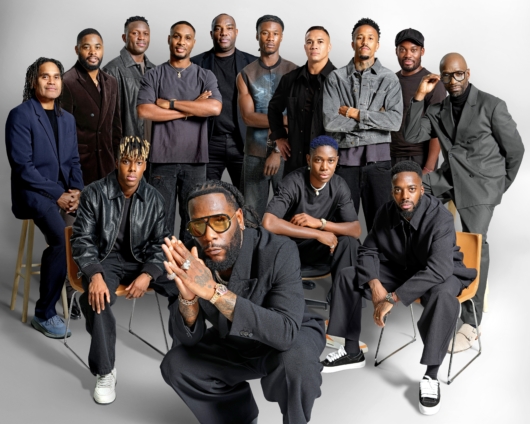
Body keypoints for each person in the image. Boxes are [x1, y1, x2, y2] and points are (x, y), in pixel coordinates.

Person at [160, 180, 325, 424]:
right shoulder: (192, 259)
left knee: (296, 361)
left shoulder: (278, 249)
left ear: (238, 218)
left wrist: (213, 290)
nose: (209, 236)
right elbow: (186, 340)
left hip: (288, 334)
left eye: (219, 221)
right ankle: (239, 418)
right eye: (198, 226)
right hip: (233, 340)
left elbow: (285, 333)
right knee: (177, 365)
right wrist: (189, 299)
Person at [322, 161, 477, 416]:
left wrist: (392, 298)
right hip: (402, 270)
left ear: (421, 190)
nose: (405, 196)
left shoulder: (440, 217)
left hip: (442, 273)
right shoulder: (386, 212)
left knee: (443, 296)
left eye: (411, 189)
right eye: (398, 190)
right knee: (349, 275)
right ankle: (351, 351)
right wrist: (375, 284)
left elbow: (439, 269)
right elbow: (368, 250)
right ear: (392, 191)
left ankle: (431, 375)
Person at [404, 52, 525, 351]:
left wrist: (497, 187)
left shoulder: (491, 105)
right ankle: (433, 281)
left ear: (467, 73)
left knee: (475, 244)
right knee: (408, 195)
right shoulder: (438, 108)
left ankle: (471, 322)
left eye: (458, 74)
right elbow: (411, 133)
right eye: (447, 75)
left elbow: (516, 150)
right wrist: (419, 96)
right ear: (440, 78)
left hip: (481, 185)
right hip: (449, 178)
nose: (453, 80)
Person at [71, 136, 167, 404]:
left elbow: (161, 242)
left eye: (138, 163)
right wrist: (95, 275)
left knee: (183, 285)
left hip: (140, 260)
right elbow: (82, 239)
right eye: (126, 162)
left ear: (145, 165)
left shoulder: (155, 199)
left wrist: (148, 273)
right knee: (98, 299)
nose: (132, 169)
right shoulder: (94, 193)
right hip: (106, 258)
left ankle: (189, 354)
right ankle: (105, 371)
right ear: (117, 162)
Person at [5, 57, 83, 337]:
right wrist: (59, 194)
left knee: (95, 224)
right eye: (44, 76)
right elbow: (23, 168)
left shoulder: (67, 118)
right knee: (62, 239)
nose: (52, 81)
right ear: (33, 81)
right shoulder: (20, 115)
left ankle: (87, 291)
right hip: (32, 193)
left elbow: (74, 161)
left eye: (56, 77)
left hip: (63, 193)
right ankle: (44, 314)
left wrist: (76, 191)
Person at [137, 20, 222, 241]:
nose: (181, 42)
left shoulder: (205, 76)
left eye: (187, 38)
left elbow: (214, 108)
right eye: (176, 36)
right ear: (169, 39)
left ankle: (186, 263)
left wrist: (171, 104)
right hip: (161, 160)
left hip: (196, 161)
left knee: (193, 223)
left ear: (193, 43)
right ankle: (161, 264)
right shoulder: (154, 75)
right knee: (160, 223)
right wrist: (192, 109)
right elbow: (145, 111)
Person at [323, 17, 402, 232]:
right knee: (343, 226)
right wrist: (375, 120)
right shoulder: (336, 78)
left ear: (377, 45)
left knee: (382, 227)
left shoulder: (389, 79)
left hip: (380, 163)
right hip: (345, 163)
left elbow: (394, 121)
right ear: (353, 43)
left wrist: (354, 114)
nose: (365, 42)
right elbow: (330, 122)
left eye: (370, 38)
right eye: (360, 38)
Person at [263, 135, 360, 295]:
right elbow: (268, 222)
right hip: (290, 249)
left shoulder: (339, 185)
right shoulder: (293, 182)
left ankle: (343, 300)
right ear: (309, 160)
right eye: (318, 160)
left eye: (330, 161)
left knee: (350, 243)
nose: (324, 167)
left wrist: (320, 224)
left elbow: (355, 229)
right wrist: (317, 233)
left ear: (337, 161)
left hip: (320, 251)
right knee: (272, 241)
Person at [237, 14, 297, 220]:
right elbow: (248, 117)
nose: (270, 38)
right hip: (254, 153)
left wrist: (277, 152)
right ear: (257, 36)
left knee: (290, 214)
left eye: (275, 33)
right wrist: (286, 120)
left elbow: (298, 118)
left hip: (287, 153)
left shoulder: (294, 72)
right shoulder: (245, 74)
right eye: (265, 33)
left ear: (281, 37)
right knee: (251, 216)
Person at [191, 13, 257, 189]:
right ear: (211, 33)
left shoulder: (253, 64)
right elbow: (187, 104)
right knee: (206, 196)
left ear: (236, 32)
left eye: (228, 28)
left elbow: (264, 104)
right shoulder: (196, 64)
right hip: (209, 142)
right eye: (218, 29)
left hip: (242, 142)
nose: (223, 33)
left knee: (247, 198)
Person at [268, 26, 335, 176]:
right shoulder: (290, 79)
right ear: (305, 47)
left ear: (329, 47)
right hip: (295, 160)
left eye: (320, 42)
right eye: (309, 42)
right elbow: (273, 108)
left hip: (326, 162)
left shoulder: (339, 81)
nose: (314, 46)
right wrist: (279, 137)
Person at [62, 28, 122, 186]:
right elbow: (63, 134)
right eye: (86, 47)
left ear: (103, 49)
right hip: (81, 166)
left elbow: (115, 127)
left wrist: (118, 159)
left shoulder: (111, 82)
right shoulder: (67, 82)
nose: (93, 52)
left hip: (108, 164)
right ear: (77, 49)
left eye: (97, 47)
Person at [391, 28, 446, 173]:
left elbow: (438, 128)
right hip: (390, 156)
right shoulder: (390, 80)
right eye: (402, 49)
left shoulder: (433, 83)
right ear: (396, 51)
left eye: (413, 50)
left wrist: (429, 167)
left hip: (418, 157)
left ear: (422, 51)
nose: (408, 55)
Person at [103, 16, 156, 140]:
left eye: (145, 34)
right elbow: (106, 119)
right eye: (135, 33)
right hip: (127, 145)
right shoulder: (112, 70)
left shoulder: (155, 70)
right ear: (124, 37)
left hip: (153, 143)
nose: (141, 37)